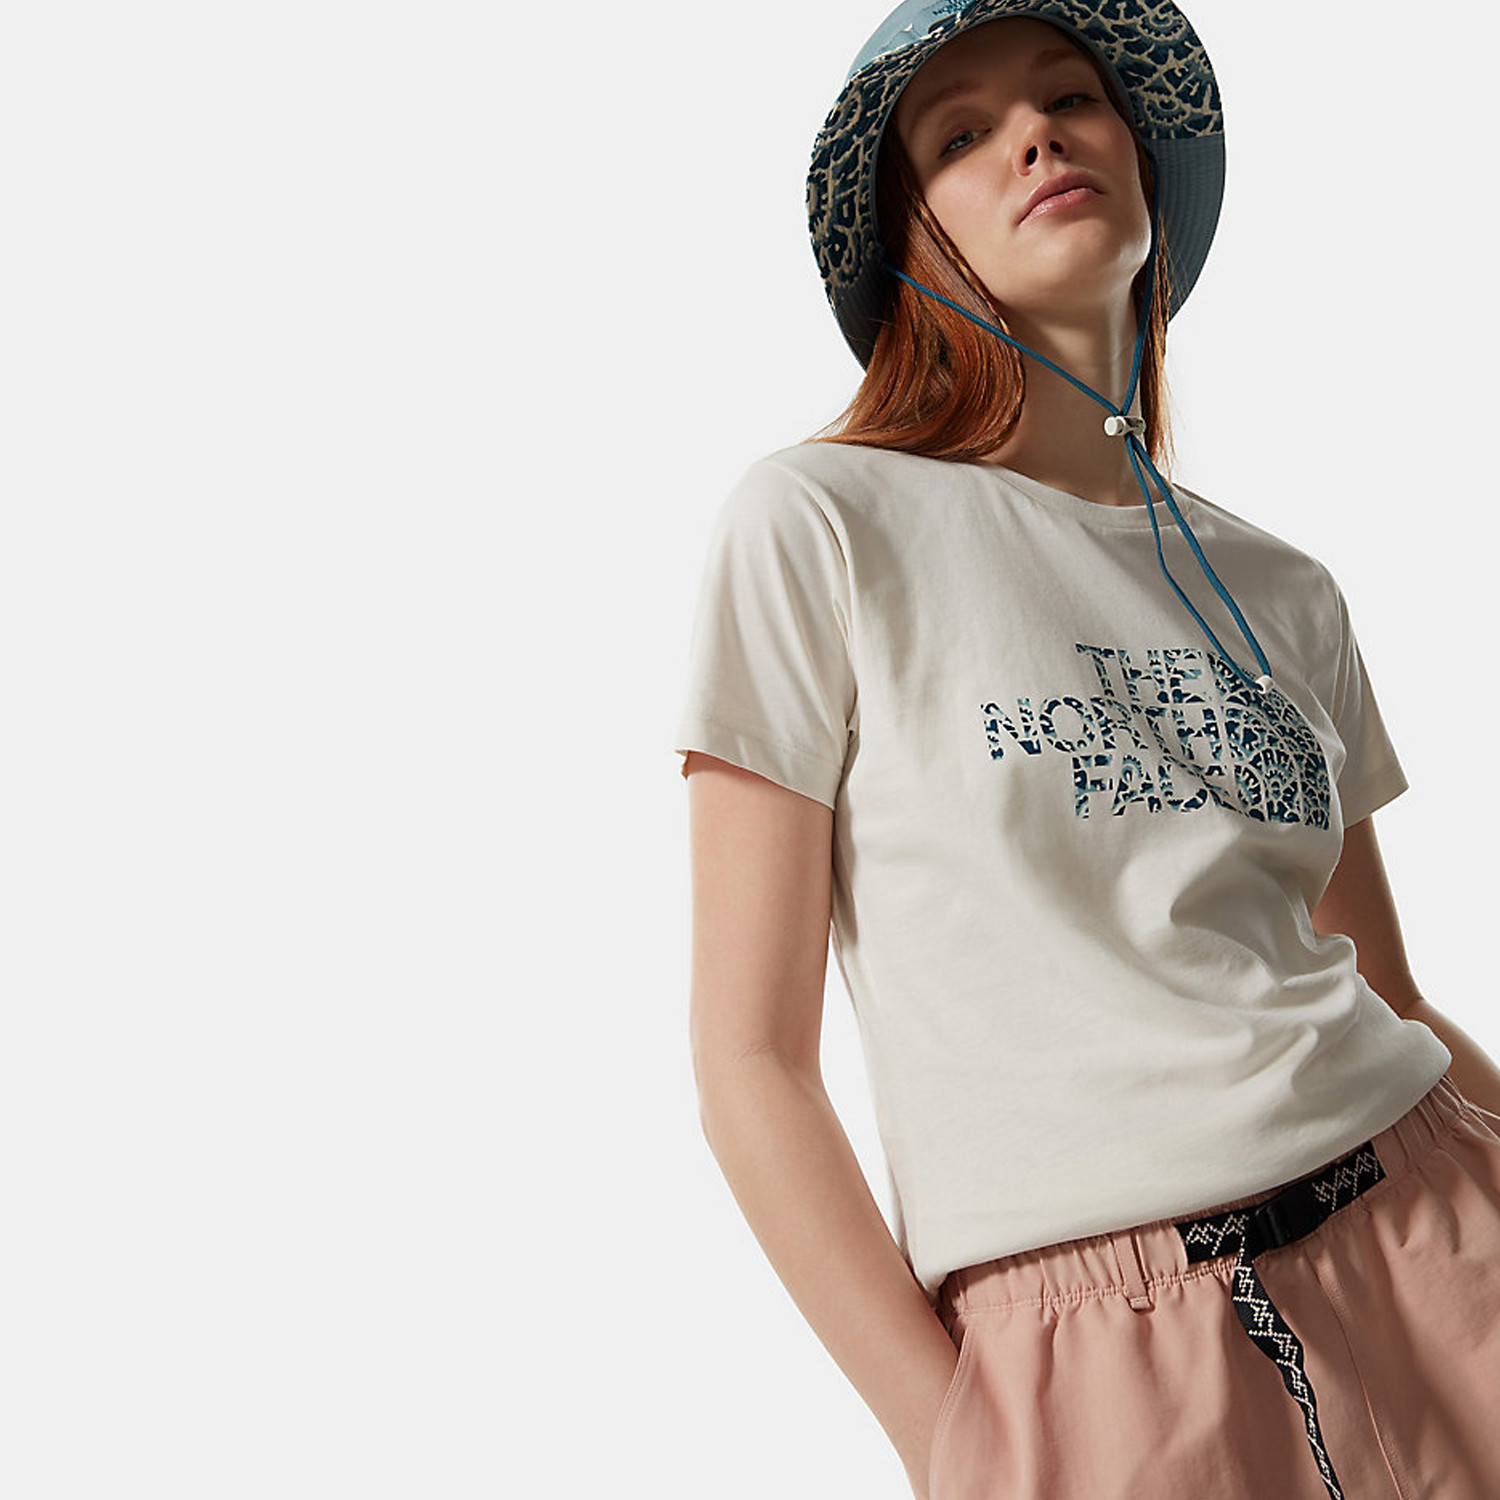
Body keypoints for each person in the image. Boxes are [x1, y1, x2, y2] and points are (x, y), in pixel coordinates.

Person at [673, 3, 1500, 1497]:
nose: (1038, 137)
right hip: (1101, 1350)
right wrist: (953, 1438)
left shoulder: (1285, 588)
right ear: (908, 237)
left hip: (1439, 1233)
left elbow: (1389, 991)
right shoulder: (819, 524)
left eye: (1071, 97)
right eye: (961, 133)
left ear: (1143, 158)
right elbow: (750, 1061)